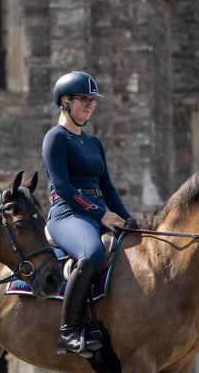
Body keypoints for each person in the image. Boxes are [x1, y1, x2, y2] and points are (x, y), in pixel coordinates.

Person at [43, 71, 136, 356]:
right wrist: (102, 215)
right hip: (66, 213)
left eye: (92, 101)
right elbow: (63, 187)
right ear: (65, 102)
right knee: (92, 252)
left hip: (93, 211)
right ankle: (68, 332)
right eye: (84, 100)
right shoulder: (55, 138)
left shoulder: (94, 143)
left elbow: (107, 187)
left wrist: (128, 220)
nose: (90, 105)